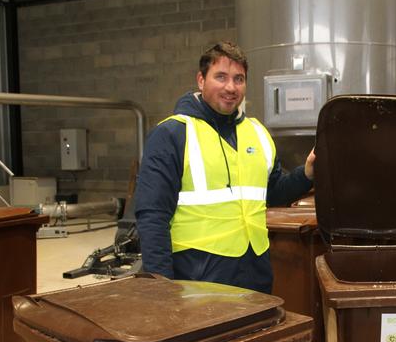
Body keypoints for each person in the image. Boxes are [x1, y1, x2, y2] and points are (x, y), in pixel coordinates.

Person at [134, 41, 315, 293]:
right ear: (201, 80)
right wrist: (162, 289)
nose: (231, 87)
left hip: (255, 272)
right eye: (221, 77)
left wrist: (306, 173)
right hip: (197, 278)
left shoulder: (257, 133)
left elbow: (271, 192)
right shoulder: (173, 134)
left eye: (239, 79)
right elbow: (152, 216)